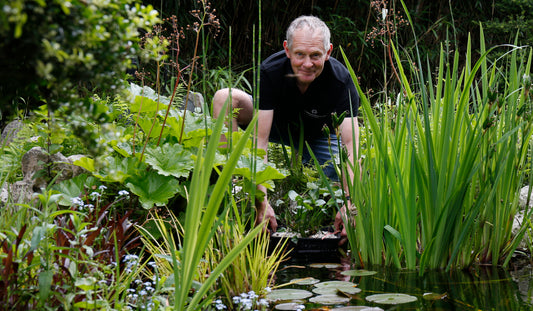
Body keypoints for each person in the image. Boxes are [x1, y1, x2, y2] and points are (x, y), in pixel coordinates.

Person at [212, 15, 360, 239]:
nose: (307, 63)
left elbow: (351, 146)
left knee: (332, 194)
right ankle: (230, 189)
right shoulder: (271, 70)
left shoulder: (341, 81)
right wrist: (260, 200)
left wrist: (350, 203)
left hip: (317, 135)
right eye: (299, 54)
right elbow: (259, 141)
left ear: (328, 52)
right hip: (274, 124)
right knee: (224, 98)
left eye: (315, 55)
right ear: (287, 49)